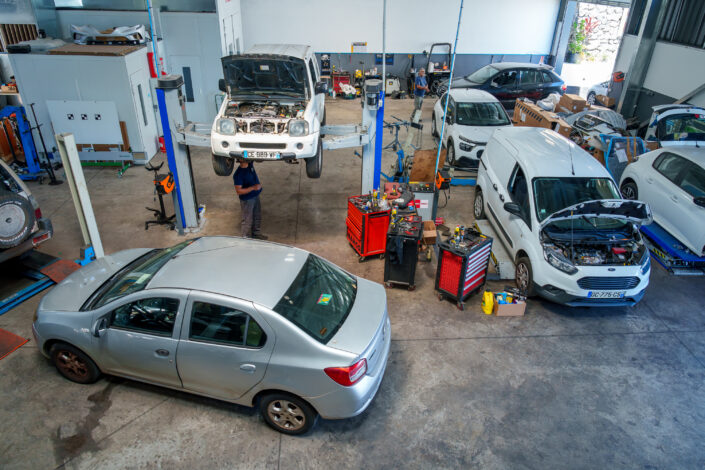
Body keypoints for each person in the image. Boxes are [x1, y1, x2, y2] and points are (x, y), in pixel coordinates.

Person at [233, 159, 267, 239]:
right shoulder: (238, 174)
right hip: (247, 200)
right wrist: (253, 188)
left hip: (255, 196)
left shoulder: (249, 164)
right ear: (240, 160)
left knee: (257, 216)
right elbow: (239, 191)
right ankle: (245, 238)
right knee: (247, 220)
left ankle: (256, 234)